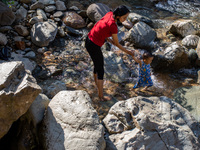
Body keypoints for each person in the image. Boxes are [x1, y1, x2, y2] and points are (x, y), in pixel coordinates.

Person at [85, 5, 134, 101]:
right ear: (118, 16)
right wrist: (129, 52)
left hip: (89, 39)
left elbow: (101, 26)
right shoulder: (113, 26)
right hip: (93, 45)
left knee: (97, 64)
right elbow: (117, 44)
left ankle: (97, 85)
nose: (125, 20)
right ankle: (101, 97)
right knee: (101, 70)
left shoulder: (109, 14)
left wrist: (107, 38)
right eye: (124, 17)